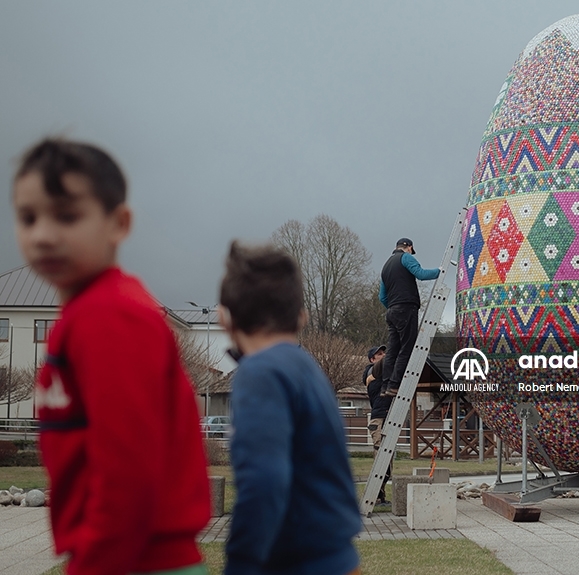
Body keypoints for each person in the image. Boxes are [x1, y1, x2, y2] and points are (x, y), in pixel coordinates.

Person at [13, 138, 210, 574]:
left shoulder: (110, 317)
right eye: (28, 218)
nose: (43, 234)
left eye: (67, 216)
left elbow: (128, 469)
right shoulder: (86, 315)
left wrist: (94, 563)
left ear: (118, 223)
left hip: (138, 560)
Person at [219, 241, 361, 575]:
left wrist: (240, 564)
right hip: (338, 557)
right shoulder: (306, 368)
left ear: (224, 318)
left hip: (296, 562)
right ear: (301, 317)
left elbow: (263, 480)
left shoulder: (260, 373)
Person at [379, 237, 440, 396]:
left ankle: (385, 386)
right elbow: (420, 274)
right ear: (409, 247)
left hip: (392, 311)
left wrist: (393, 307)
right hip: (406, 308)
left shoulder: (385, 266)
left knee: (393, 349)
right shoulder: (406, 257)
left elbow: (382, 297)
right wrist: (441, 271)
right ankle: (394, 385)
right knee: (407, 347)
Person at [364, 345, 392, 504]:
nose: (383, 355)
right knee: (381, 458)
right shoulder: (370, 372)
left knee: (388, 462)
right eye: (379, 354)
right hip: (378, 419)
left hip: (387, 418)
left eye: (384, 353)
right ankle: (374, 497)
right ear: (372, 359)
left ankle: (381, 497)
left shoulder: (386, 373)